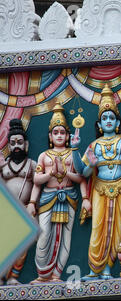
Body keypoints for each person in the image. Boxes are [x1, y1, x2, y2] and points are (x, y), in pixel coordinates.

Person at [72, 84, 121, 280]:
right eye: (105, 118)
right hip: (100, 190)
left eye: (112, 117)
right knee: (98, 228)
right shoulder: (94, 145)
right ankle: (94, 268)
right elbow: (83, 172)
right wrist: (75, 150)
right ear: (100, 125)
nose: (108, 121)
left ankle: (107, 269)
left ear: (117, 122)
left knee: (116, 229)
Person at [27, 104, 90, 284]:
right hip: (48, 199)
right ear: (50, 136)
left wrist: (85, 198)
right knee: (44, 234)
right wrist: (32, 202)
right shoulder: (44, 156)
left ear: (68, 135)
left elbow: (81, 178)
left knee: (65, 238)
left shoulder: (73, 154)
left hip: (68, 198)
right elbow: (37, 180)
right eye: (56, 132)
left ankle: (56, 275)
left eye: (63, 132)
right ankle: (42, 274)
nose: (60, 135)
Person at [0, 119, 36, 285]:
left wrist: (34, 204)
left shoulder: (32, 165)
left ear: (26, 145)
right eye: (13, 143)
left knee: (21, 246)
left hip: (24, 210)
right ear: (8, 146)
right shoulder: (4, 166)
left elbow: (39, 185)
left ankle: (14, 276)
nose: (16, 146)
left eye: (20, 143)